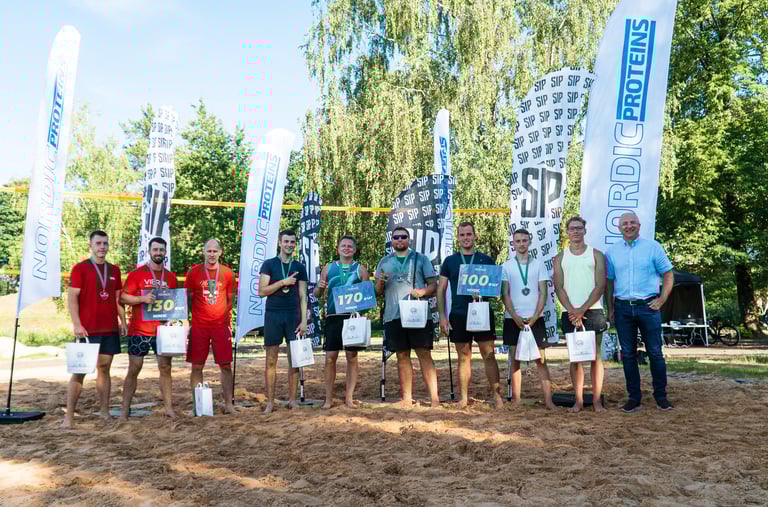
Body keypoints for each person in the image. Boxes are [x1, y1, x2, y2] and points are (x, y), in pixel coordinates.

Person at [605, 212, 675, 412]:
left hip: (648, 307)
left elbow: (668, 274)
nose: (629, 226)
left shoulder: (653, 247)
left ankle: (661, 397)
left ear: (639, 225)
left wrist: (662, 299)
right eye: (625, 223)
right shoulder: (612, 252)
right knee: (628, 354)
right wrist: (610, 308)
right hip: (622, 308)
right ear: (619, 228)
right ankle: (634, 398)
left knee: (655, 352)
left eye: (632, 223)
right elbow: (609, 282)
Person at [62, 230, 127, 428]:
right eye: (98, 243)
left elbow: (117, 299)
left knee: (104, 369)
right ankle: (69, 417)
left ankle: (104, 412)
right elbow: (72, 298)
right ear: (90, 245)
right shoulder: (80, 268)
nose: (102, 247)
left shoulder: (114, 270)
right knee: (79, 371)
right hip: (87, 330)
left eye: (105, 243)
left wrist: (123, 321)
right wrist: (76, 324)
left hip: (109, 328)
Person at [437, 222, 503, 409]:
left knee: (489, 355)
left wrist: (484, 292)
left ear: (475, 236)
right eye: (462, 235)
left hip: (482, 312)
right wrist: (442, 316)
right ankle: (464, 398)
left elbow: (495, 288)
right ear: (458, 237)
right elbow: (441, 290)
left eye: (469, 234)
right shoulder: (450, 261)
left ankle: (497, 396)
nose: (466, 238)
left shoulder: (486, 260)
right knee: (464, 356)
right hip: (459, 314)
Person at [375, 226, 440, 408]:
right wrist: (380, 282)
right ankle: (406, 398)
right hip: (393, 315)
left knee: (424, 354)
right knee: (402, 355)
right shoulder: (384, 261)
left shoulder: (421, 258)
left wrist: (423, 291)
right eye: (396, 237)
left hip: (417, 314)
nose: (399, 240)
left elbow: (433, 285)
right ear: (392, 241)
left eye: (403, 237)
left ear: (409, 239)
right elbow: (377, 292)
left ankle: (435, 399)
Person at [119, 237, 179, 420]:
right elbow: (123, 298)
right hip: (139, 330)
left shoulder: (171, 277)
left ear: (165, 252)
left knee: (165, 367)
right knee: (134, 368)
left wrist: (174, 320)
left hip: (162, 331)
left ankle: (168, 408)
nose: (158, 253)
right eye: (155, 249)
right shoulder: (137, 274)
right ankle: (124, 410)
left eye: (161, 250)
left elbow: (174, 304)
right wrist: (141, 299)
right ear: (149, 251)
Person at [553, 216, 607, 413]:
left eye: (579, 228)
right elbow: (558, 287)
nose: (575, 231)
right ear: (567, 232)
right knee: (575, 359)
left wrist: (582, 309)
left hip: (593, 310)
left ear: (585, 230)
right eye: (572, 228)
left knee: (595, 357)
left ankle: (597, 401)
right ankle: (578, 401)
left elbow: (600, 285)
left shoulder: (597, 255)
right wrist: (572, 310)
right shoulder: (560, 258)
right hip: (570, 312)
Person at [313, 235, 371, 409]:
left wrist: (360, 307)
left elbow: (367, 296)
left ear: (354, 250)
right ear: (338, 249)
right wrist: (320, 288)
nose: (346, 248)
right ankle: (328, 399)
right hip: (333, 317)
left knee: (352, 357)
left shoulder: (360, 269)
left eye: (350, 246)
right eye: (343, 245)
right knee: (330, 358)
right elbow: (316, 294)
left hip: (352, 318)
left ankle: (349, 398)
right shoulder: (329, 267)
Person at [501, 229, 554, 409]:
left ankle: (548, 401)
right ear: (513, 244)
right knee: (515, 360)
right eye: (518, 241)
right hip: (513, 319)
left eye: (524, 240)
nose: (521, 244)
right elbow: (505, 294)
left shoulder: (539, 265)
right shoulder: (506, 266)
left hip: (535, 319)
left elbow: (543, 293)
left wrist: (535, 316)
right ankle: (516, 400)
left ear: (529, 242)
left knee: (541, 360)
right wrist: (515, 316)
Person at [258, 229, 308, 414]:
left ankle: (292, 401)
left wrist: (304, 320)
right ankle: (270, 402)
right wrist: (282, 283)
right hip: (273, 315)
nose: (289, 245)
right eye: (286, 241)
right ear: (280, 243)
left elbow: (303, 296)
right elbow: (262, 291)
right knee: (271, 360)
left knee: (294, 360)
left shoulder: (299, 267)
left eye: (292, 242)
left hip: (293, 316)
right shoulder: (269, 264)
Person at [184, 238, 236, 415]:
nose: (212, 254)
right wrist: (190, 321)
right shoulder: (193, 272)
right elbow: (188, 299)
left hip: (221, 325)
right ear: (203, 252)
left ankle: (228, 404)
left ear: (220, 252)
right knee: (197, 366)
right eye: (209, 251)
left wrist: (225, 319)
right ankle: (196, 406)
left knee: (226, 366)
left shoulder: (228, 273)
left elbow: (230, 300)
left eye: (215, 251)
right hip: (199, 325)